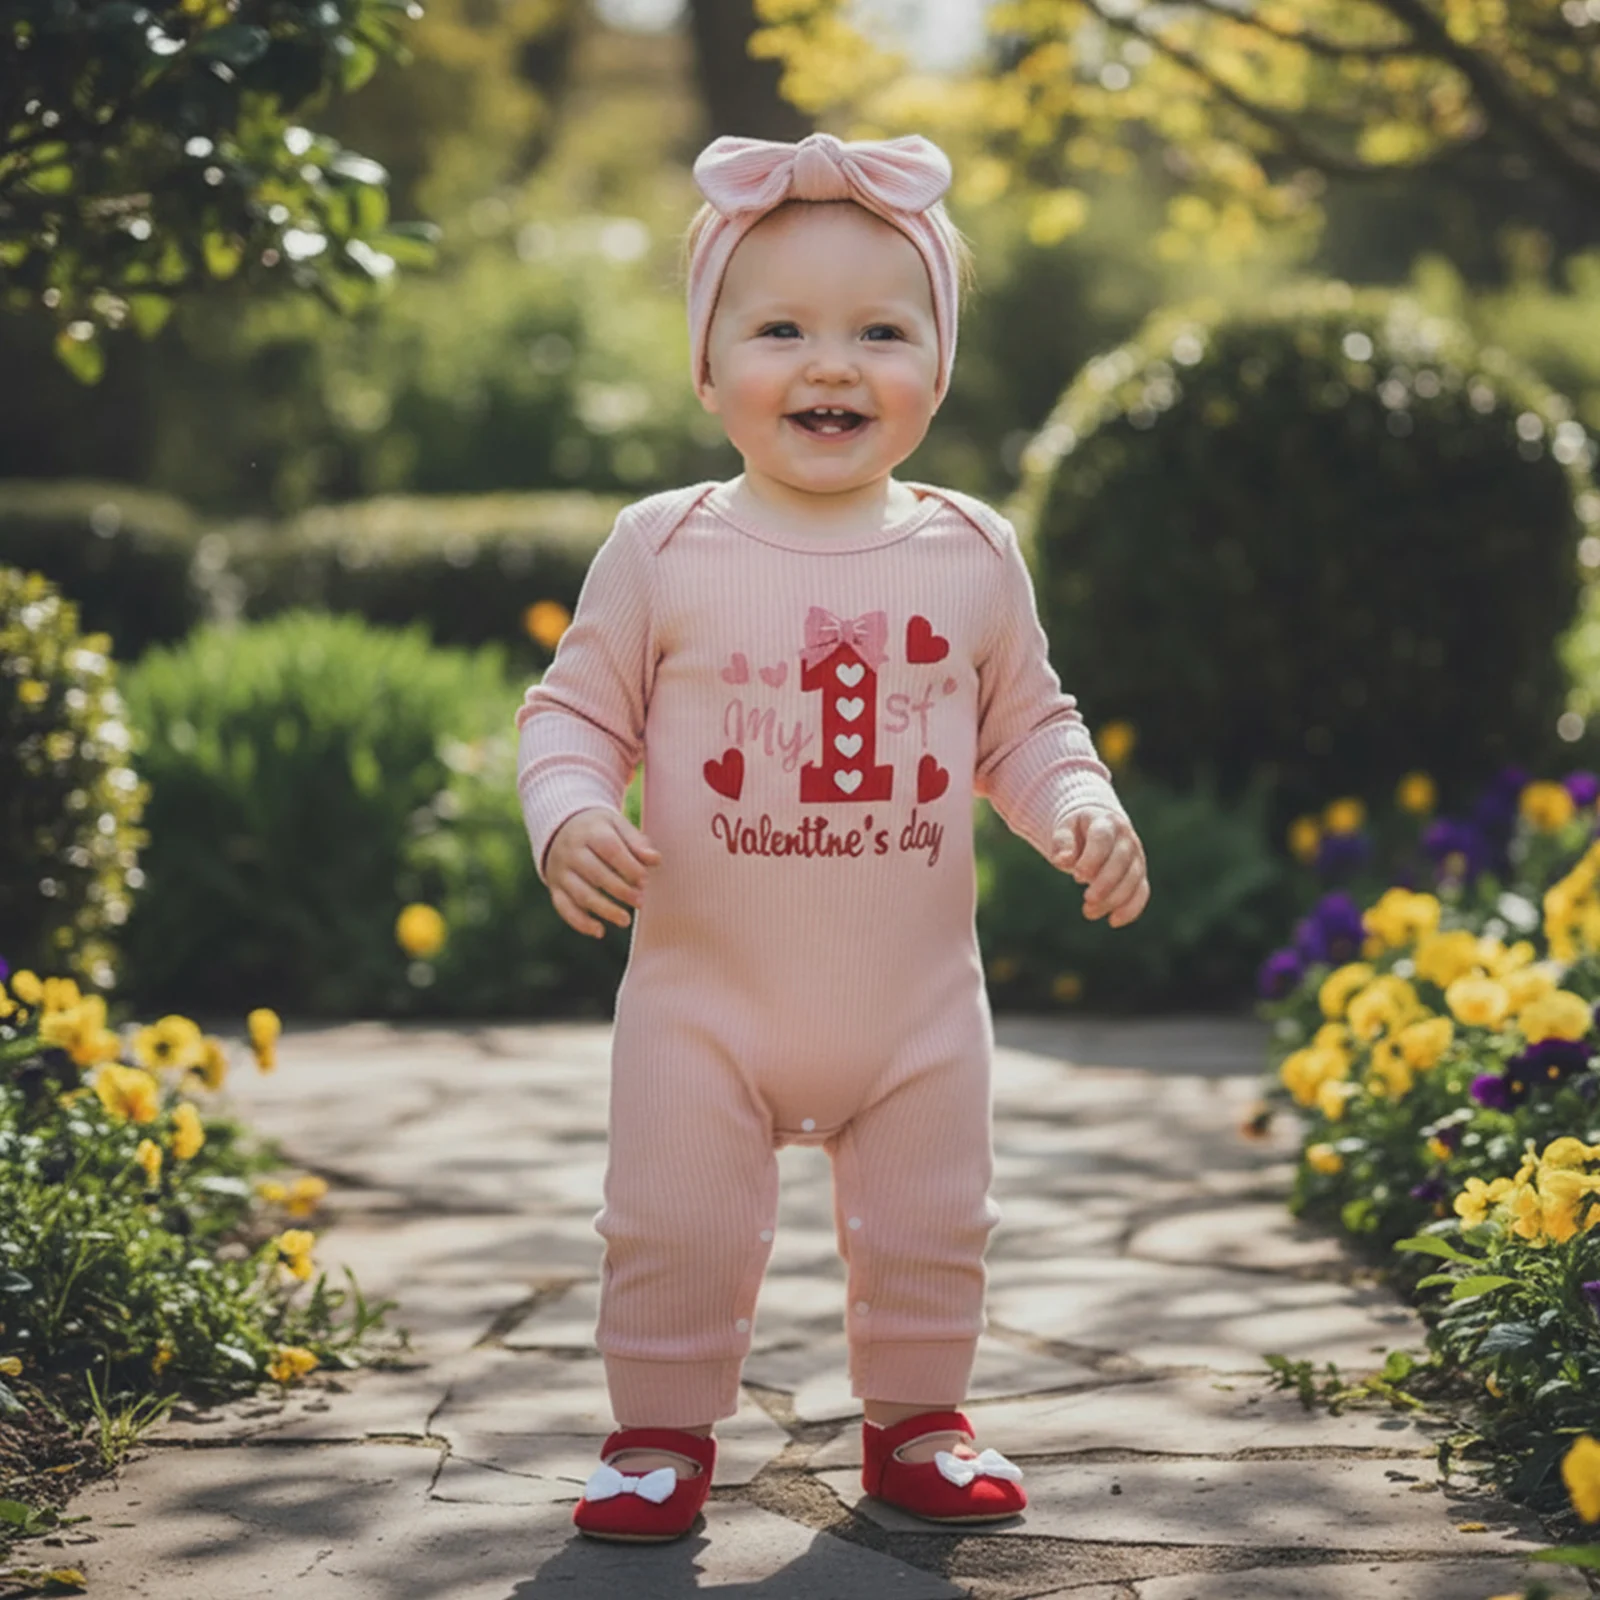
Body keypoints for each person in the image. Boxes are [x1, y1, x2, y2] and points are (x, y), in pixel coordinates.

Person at [515, 129, 1150, 1544]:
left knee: (936, 1218)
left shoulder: (971, 551)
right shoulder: (664, 547)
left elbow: (1025, 727)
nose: (831, 363)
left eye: (881, 328)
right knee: (669, 1222)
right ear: (705, 362)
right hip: (705, 1002)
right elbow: (569, 718)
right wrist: (567, 817)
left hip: (913, 1007)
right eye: (780, 327)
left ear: (938, 361)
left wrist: (1079, 805)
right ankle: (660, 1435)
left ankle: (918, 1421)